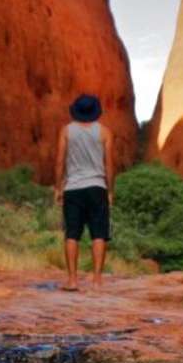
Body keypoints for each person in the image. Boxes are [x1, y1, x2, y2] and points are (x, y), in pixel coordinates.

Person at [54, 94, 114, 291]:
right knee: (99, 234)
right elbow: (109, 165)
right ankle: (97, 281)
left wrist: (58, 187)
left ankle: (72, 281)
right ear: (95, 111)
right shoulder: (105, 132)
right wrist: (110, 190)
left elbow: (60, 161)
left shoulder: (66, 131)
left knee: (72, 234)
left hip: (73, 188)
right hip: (97, 187)